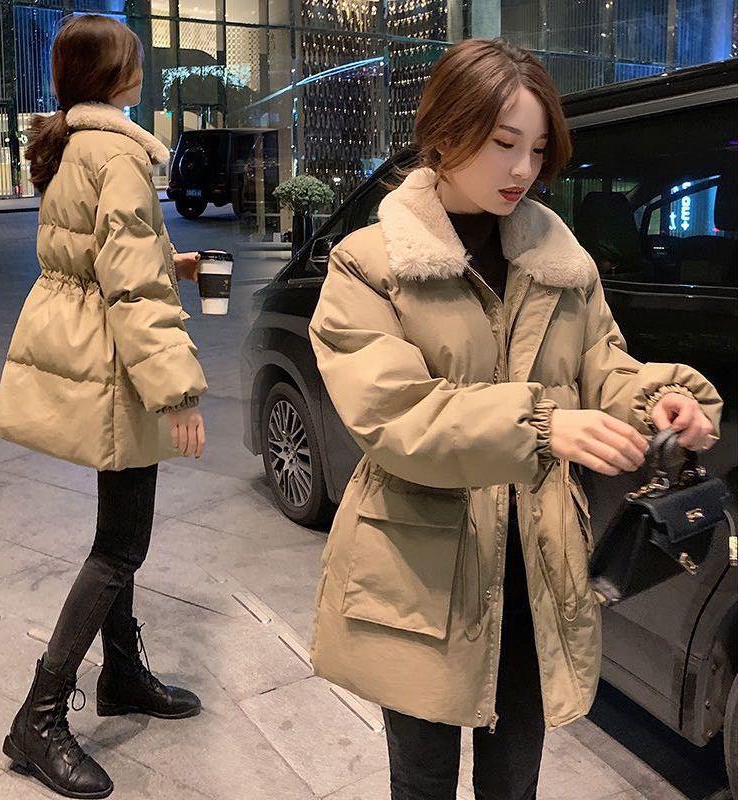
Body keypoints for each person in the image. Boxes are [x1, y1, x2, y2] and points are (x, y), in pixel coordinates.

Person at [307, 38, 722, 800]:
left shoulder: (561, 262)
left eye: (536, 149)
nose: (523, 169)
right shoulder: (371, 264)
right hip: (420, 571)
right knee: (421, 781)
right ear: (445, 132)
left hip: (537, 565)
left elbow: (603, 364)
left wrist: (659, 400)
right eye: (503, 143)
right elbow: (393, 413)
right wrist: (540, 427)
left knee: (515, 781)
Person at [0, 14, 208, 799]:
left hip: (94, 349)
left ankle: (121, 674)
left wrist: (169, 260)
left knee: (118, 527)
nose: (140, 66)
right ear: (113, 74)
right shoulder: (118, 152)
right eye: (132, 58)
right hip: (119, 360)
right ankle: (40, 716)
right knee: (120, 545)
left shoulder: (71, 145)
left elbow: (105, 255)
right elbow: (130, 285)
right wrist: (177, 389)